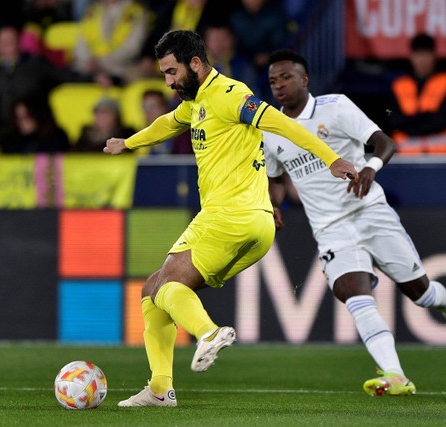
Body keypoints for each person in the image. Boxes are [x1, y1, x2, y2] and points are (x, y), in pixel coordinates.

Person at [103, 30, 358, 407]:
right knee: (152, 291)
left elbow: (283, 124)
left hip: (228, 216)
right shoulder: (196, 101)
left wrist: (331, 159)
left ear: (195, 63)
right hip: (257, 225)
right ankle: (159, 389)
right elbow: (169, 123)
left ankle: (208, 333)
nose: (170, 82)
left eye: (172, 72)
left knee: (163, 287)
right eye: (164, 75)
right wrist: (129, 143)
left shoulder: (230, 95)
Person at [263, 49, 446, 397]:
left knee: (421, 294)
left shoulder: (335, 107)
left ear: (304, 79)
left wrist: (370, 168)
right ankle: (395, 374)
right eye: (273, 80)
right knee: (351, 292)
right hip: (330, 229)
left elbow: (384, 143)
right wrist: (271, 204)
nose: (279, 85)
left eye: (286, 77)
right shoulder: (272, 128)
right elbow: (274, 177)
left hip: (370, 212)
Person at [0, 25, 87, 147]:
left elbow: (64, 76)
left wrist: (93, 79)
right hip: (9, 131)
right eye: (4, 41)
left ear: (19, 42)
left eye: (12, 40)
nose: (8, 44)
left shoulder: (35, 64)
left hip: (40, 129)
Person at [387, 33, 446, 155]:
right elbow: (393, 119)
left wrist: (410, 123)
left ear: (434, 55)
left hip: (444, 159)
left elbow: (442, 120)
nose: (422, 60)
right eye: (418, 54)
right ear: (411, 56)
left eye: (426, 54)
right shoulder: (399, 85)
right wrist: (426, 117)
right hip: (406, 159)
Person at [72, 0, 150, 86]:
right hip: (88, 67)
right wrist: (88, 60)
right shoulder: (93, 9)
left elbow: (132, 48)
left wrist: (101, 62)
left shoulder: (136, 11)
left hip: (119, 68)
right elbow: (81, 43)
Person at [0, 96, 69, 154]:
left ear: (38, 116)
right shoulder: (10, 140)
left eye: (27, 117)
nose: (22, 122)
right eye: (18, 118)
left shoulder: (56, 137)